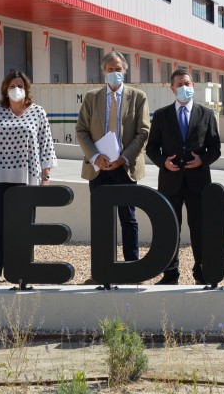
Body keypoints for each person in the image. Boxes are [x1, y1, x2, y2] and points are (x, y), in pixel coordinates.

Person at [0, 70, 57, 284]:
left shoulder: (38, 112)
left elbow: (46, 145)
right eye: (12, 85)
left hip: (28, 175)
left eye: (20, 85)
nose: (16, 89)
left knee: (25, 223)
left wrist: (45, 176)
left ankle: (22, 269)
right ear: (5, 89)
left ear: (27, 88)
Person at [75, 51, 150, 280]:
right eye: (110, 69)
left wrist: (123, 158)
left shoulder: (138, 97)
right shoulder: (91, 98)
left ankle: (131, 270)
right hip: (98, 169)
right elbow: (81, 130)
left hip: (125, 167)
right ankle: (102, 270)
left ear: (125, 70)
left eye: (118, 69)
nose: (114, 73)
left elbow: (143, 131)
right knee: (101, 222)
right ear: (103, 72)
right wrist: (95, 156)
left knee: (128, 219)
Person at [146, 68, 221, 285]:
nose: (184, 88)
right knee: (170, 228)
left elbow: (215, 147)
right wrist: (163, 163)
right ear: (172, 89)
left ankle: (202, 272)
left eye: (187, 83)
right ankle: (170, 274)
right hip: (170, 182)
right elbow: (152, 147)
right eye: (179, 84)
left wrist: (202, 160)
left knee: (199, 229)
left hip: (198, 182)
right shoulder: (161, 115)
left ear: (193, 86)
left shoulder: (206, 114)